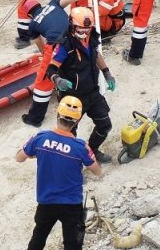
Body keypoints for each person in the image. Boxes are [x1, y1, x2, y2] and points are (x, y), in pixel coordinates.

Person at [16, 96, 102, 250]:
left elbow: (19, 158)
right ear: (77, 121)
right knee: (73, 244)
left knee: (38, 239)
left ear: (57, 115)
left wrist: (35, 153)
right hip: (72, 205)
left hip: (46, 202)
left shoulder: (40, 139)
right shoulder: (80, 147)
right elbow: (97, 171)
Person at [46, 6, 116, 162]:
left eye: (87, 29)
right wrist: (58, 80)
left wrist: (106, 72)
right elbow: (51, 68)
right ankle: (72, 163)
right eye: (81, 29)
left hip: (92, 92)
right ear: (71, 24)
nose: (84, 33)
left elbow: (95, 54)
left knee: (105, 125)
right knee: (68, 134)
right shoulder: (65, 45)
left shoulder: (90, 37)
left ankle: (92, 151)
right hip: (72, 97)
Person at [19, 0, 100, 127]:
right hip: (76, 37)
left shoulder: (33, 24)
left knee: (43, 83)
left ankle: (35, 118)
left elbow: (41, 46)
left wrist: (47, 62)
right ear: (40, 4)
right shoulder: (53, 4)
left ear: (29, 15)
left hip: (56, 45)